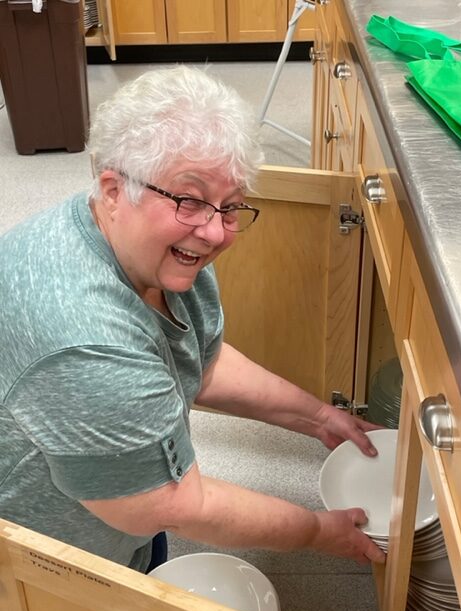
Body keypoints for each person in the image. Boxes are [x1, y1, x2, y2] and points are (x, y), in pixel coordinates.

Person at [0, 66, 385, 573]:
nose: (215, 233)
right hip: (45, 564)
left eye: (230, 207)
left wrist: (317, 418)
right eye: (189, 199)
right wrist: (315, 530)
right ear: (114, 189)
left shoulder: (145, 247)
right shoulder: (84, 340)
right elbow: (170, 503)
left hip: (113, 506)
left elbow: (199, 359)